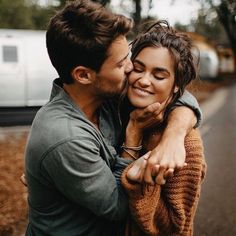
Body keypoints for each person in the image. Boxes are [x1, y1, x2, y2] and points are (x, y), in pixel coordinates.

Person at [24, 1, 202, 235]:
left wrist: (175, 136)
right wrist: (133, 136)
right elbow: (118, 207)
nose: (131, 70)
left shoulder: (109, 101)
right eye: (122, 64)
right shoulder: (64, 138)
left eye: (128, 58)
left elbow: (178, 91)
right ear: (84, 75)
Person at [120, 21, 206, 235]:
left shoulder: (186, 147)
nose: (143, 80)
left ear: (177, 85)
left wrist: (139, 185)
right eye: (138, 69)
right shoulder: (118, 109)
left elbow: (172, 227)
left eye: (158, 75)